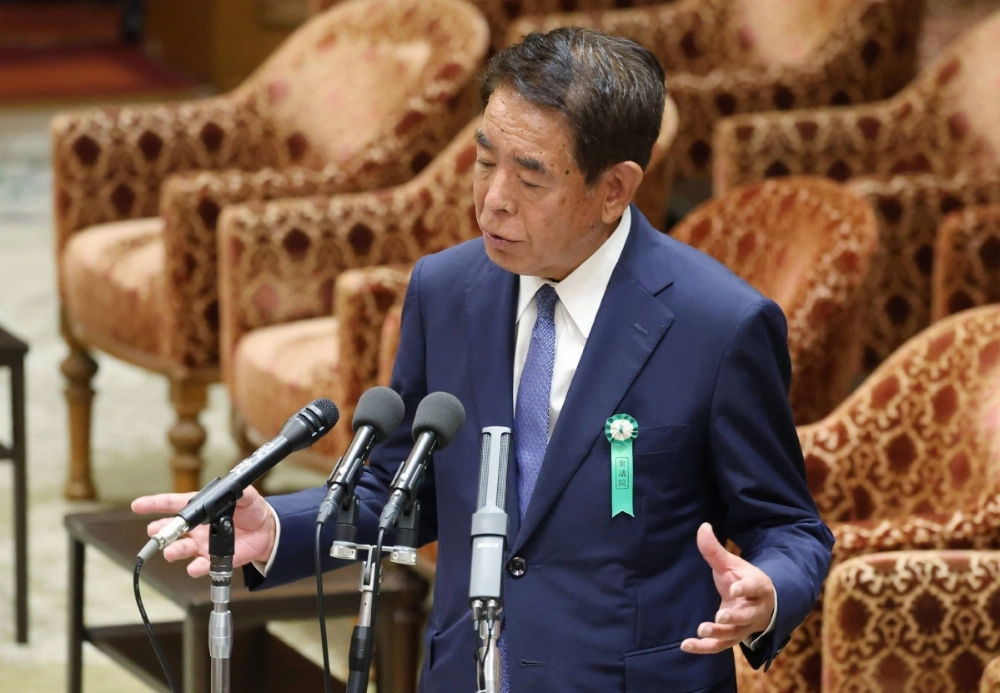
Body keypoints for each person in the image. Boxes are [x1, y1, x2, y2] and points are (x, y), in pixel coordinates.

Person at [134, 28, 834, 692]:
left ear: (614, 190)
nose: (492, 201)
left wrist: (770, 590)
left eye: (530, 178)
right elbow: (401, 491)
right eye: (484, 159)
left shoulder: (718, 325)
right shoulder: (446, 291)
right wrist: (277, 531)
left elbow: (789, 525)